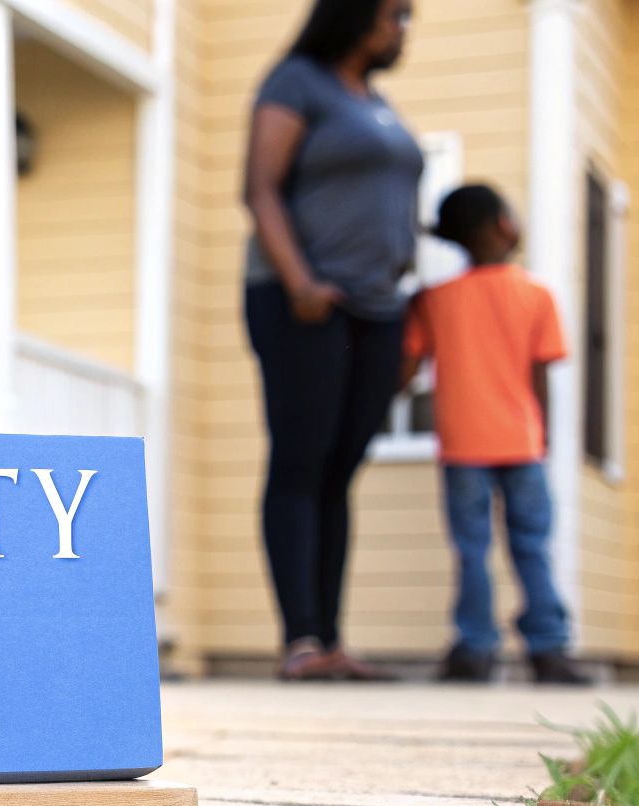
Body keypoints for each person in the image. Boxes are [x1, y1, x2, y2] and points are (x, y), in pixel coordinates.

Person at [242, 0, 421, 680]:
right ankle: (302, 641)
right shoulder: (296, 82)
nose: (403, 30)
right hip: (306, 302)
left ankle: (331, 639)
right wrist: (301, 284)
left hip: (378, 308)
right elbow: (260, 190)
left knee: (340, 469)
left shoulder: (374, 101)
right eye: (396, 15)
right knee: (301, 461)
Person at [403, 184, 592, 685]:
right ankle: (548, 649)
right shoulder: (537, 295)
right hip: (523, 444)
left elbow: (405, 370)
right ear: (503, 226)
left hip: (463, 445)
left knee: (472, 549)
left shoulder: (433, 300)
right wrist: (542, 437)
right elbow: (540, 377)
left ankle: (474, 650)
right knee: (532, 545)